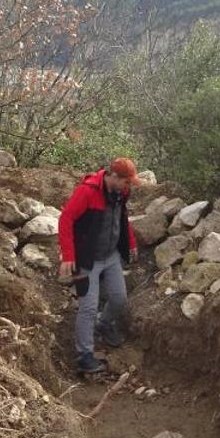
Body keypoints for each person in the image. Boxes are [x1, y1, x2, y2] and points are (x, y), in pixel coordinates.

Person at [57, 158, 141, 374]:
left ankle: (104, 324)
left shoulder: (121, 193)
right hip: (87, 259)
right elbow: (66, 219)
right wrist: (68, 255)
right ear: (113, 177)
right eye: (126, 182)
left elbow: (122, 219)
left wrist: (130, 243)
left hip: (111, 255)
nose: (128, 186)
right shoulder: (87, 192)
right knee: (88, 307)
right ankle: (84, 355)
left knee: (119, 298)